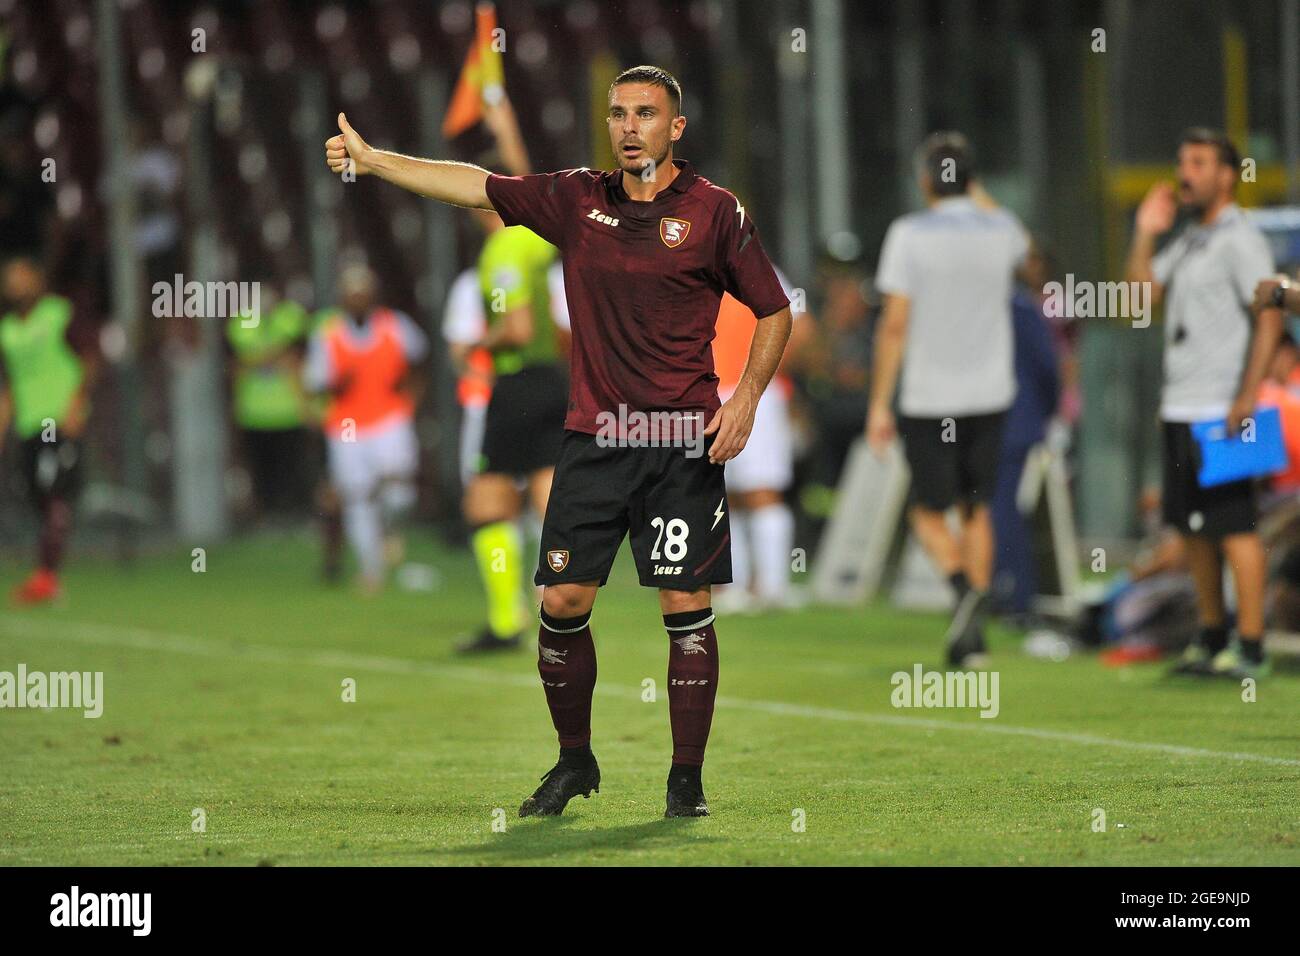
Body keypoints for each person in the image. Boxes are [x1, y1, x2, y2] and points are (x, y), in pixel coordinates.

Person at [325, 64, 792, 817]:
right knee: (563, 600)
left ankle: (686, 781)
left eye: (645, 113)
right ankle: (575, 761)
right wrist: (377, 162)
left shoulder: (715, 212)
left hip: (680, 444)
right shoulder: (577, 199)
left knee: (684, 605)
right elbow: (474, 184)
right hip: (594, 440)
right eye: (618, 113)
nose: (629, 126)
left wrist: (744, 400)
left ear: (676, 127)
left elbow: (774, 312)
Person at [866, 133, 1029, 666]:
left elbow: (894, 326)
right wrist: (976, 190)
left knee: (927, 513)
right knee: (976, 509)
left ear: (924, 181)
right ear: (974, 180)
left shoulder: (909, 234)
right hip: (990, 394)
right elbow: (1026, 249)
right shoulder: (1001, 229)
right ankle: (973, 633)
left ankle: (962, 591)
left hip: (929, 397)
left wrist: (878, 404)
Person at [1126, 127, 1284, 679]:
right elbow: (1137, 300)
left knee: (1236, 526)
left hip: (1222, 407)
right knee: (1192, 528)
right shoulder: (1192, 238)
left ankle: (1252, 646)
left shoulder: (1240, 237)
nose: (1184, 172)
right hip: (1182, 406)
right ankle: (1211, 636)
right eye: (1180, 160)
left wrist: (1247, 392)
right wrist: (1146, 234)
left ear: (1227, 175)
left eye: (1197, 161)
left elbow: (1270, 311)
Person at [303, 265, 428, 593]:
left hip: (390, 419)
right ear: (343, 297)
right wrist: (334, 386)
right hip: (347, 427)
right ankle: (371, 568)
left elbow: (418, 362)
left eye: (363, 293)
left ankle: (390, 530)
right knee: (357, 496)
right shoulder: (327, 332)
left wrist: (411, 399)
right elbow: (315, 383)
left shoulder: (395, 325)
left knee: (399, 490)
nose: (358, 300)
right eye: (351, 293)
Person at [712, 265, 811, 613]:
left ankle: (768, 585)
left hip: (749, 394)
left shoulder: (750, 268)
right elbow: (800, 328)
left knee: (757, 491)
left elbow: (798, 328)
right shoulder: (753, 269)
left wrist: (764, 373)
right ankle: (740, 585)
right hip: (730, 392)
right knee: (732, 493)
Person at [0, 257, 98, 605]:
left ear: (37, 279)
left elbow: (88, 357)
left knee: (56, 493)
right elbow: (9, 384)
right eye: (10, 279)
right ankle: (47, 572)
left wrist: (75, 406)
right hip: (30, 424)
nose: (16, 285)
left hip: (57, 421)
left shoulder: (58, 312)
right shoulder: (8, 330)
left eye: (21, 277)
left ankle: (46, 577)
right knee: (38, 496)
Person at [226, 294, 312, 519]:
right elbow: (235, 364)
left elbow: (298, 356)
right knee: (262, 470)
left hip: (289, 411)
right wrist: (273, 356)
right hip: (254, 412)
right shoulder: (241, 322)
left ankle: (293, 514)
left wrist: (255, 358)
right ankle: (267, 515)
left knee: (291, 468)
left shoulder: (291, 317)